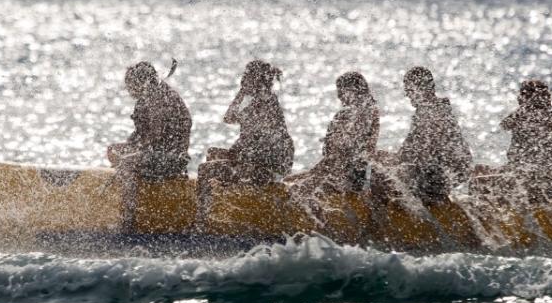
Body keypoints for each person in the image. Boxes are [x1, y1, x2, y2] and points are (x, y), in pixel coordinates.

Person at [197, 59, 294, 217]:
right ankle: (216, 205)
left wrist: (241, 159)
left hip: (266, 165)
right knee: (213, 153)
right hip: (254, 158)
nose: (243, 80)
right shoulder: (259, 99)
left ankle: (202, 218)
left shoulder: (265, 103)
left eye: (246, 77)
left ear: (254, 79)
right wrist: (241, 94)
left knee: (204, 169)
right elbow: (228, 118)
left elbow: (262, 143)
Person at [107, 61, 191, 232]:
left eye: (129, 85)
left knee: (127, 162)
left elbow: (155, 135)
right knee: (116, 151)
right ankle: (130, 196)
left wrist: (130, 153)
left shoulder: (158, 97)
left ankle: (127, 223)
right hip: (158, 154)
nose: (128, 90)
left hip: (172, 159)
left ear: (141, 82)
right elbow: (143, 137)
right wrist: (127, 148)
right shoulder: (150, 95)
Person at [378, 66, 471, 204]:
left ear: (423, 88)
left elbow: (427, 151)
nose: (408, 95)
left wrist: (397, 166)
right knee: (381, 162)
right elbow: (409, 150)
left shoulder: (436, 112)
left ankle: (383, 216)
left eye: (409, 90)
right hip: (436, 170)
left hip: (443, 174)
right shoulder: (427, 110)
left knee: (386, 177)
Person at [470, 80, 552, 205]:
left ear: (525, 97)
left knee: (477, 182)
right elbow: (504, 125)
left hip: (536, 183)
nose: (518, 98)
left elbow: (506, 124)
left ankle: (490, 217)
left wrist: (524, 109)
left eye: (522, 95)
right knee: (480, 169)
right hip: (523, 176)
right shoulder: (550, 117)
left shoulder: (544, 118)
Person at [292, 71, 380, 196]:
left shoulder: (364, 113)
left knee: (297, 189)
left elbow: (349, 149)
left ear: (353, 90)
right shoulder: (363, 111)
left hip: (348, 175)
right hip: (338, 169)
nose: (338, 95)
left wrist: (325, 167)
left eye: (341, 90)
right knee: (291, 181)